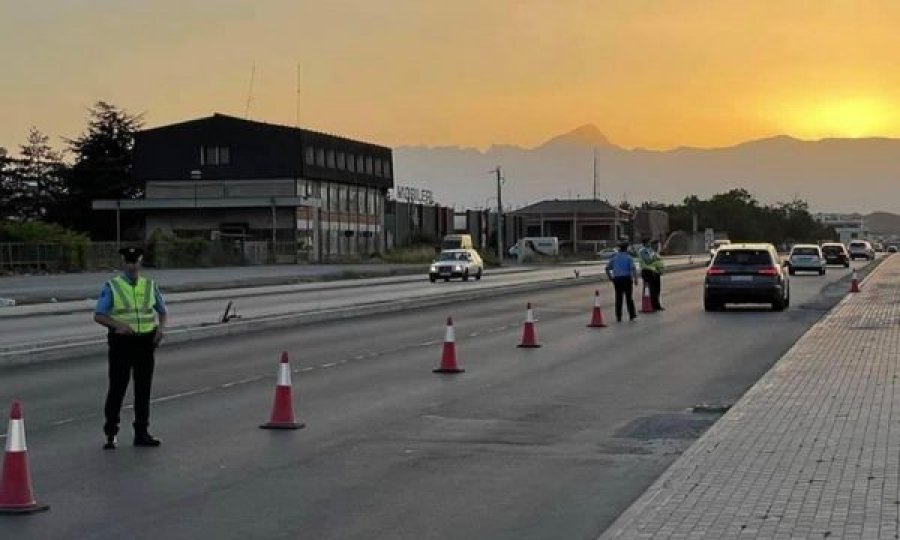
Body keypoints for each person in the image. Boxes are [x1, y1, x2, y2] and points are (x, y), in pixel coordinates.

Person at [94, 247, 167, 449]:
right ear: (122, 263)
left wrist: (161, 328)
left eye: (135, 261)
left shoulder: (150, 285)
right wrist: (118, 325)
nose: (132, 266)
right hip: (122, 344)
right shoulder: (112, 286)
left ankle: (142, 432)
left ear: (141, 262)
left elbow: (162, 310)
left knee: (143, 390)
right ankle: (111, 432)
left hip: (146, 342)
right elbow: (99, 315)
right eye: (128, 262)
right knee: (117, 388)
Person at [605, 240, 639, 322]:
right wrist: (635, 279)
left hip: (617, 279)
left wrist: (610, 278)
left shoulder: (614, 258)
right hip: (627, 279)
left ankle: (618, 316)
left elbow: (607, 268)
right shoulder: (628, 258)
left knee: (618, 298)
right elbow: (633, 269)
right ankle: (632, 315)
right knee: (629, 298)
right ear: (626, 249)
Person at [638, 238, 665, 311]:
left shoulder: (652, 251)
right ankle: (652, 305)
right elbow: (648, 261)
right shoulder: (643, 251)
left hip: (655, 272)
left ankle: (657, 305)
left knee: (657, 289)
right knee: (652, 289)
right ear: (645, 243)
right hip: (647, 271)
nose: (649, 244)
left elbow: (658, 262)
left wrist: (660, 269)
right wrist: (654, 256)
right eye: (648, 242)